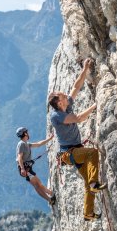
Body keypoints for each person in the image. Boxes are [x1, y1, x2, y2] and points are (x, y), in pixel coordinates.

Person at [48, 58, 107, 221]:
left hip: (75, 150)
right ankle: (95, 185)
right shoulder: (57, 116)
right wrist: (96, 105)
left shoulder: (66, 106)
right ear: (59, 103)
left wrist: (85, 69)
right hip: (68, 153)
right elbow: (79, 118)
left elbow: (76, 86)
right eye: (63, 96)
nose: (66, 96)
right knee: (92, 153)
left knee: (88, 181)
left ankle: (88, 213)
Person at [16, 127, 56, 205]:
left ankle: (50, 196)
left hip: (27, 168)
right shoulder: (21, 144)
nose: (28, 133)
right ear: (25, 133)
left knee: (37, 184)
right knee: (37, 184)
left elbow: (38, 144)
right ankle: (50, 196)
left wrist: (50, 139)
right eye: (27, 132)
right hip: (25, 169)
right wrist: (22, 169)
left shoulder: (26, 144)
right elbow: (19, 158)